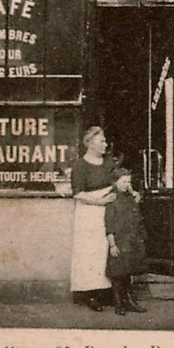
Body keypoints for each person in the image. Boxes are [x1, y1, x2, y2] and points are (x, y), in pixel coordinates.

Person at [69, 126, 117, 312]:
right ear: (89, 143)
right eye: (101, 141)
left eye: (105, 141)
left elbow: (118, 180)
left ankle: (106, 291)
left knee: (104, 250)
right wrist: (99, 201)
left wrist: (131, 191)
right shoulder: (80, 166)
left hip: (107, 211)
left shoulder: (108, 163)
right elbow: (78, 193)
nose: (105, 145)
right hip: (88, 213)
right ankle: (90, 294)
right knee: (88, 252)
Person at [105, 167, 148, 315]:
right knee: (118, 274)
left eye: (128, 182)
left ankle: (130, 301)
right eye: (123, 182)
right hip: (119, 240)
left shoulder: (130, 198)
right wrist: (112, 244)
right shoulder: (111, 199)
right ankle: (119, 303)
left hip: (132, 239)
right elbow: (109, 223)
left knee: (128, 272)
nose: (126, 184)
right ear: (115, 182)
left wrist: (132, 191)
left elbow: (137, 210)